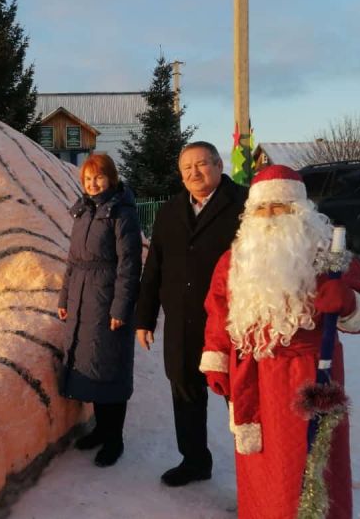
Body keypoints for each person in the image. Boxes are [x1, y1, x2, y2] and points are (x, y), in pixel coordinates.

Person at [201, 165, 360, 519]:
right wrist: (217, 360)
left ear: (300, 212)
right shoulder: (235, 261)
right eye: (262, 208)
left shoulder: (328, 258)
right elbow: (218, 310)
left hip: (312, 375)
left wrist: (349, 302)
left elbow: (359, 308)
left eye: (280, 207)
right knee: (262, 471)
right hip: (255, 381)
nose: (270, 216)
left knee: (312, 464)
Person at [135, 141, 248, 486]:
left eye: (201, 164)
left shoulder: (244, 204)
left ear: (218, 164)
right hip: (182, 322)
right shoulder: (171, 210)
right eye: (187, 168)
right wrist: (145, 318)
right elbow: (153, 267)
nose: (194, 173)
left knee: (241, 399)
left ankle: (255, 474)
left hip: (232, 324)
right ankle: (194, 460)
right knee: (184, 390)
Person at [57, 153, 142, 468]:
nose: (93, 184)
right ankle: (100, 429)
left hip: (107, 299)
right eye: (88, 179)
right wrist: (65, 298)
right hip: (82, 297)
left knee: (110, 369)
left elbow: (130, 265)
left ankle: (114, 438)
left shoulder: (122, 213)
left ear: (112, 178)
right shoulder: (84, 211)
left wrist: (121, 306)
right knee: (92, 365)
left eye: (98, 178)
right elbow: (72, 260)